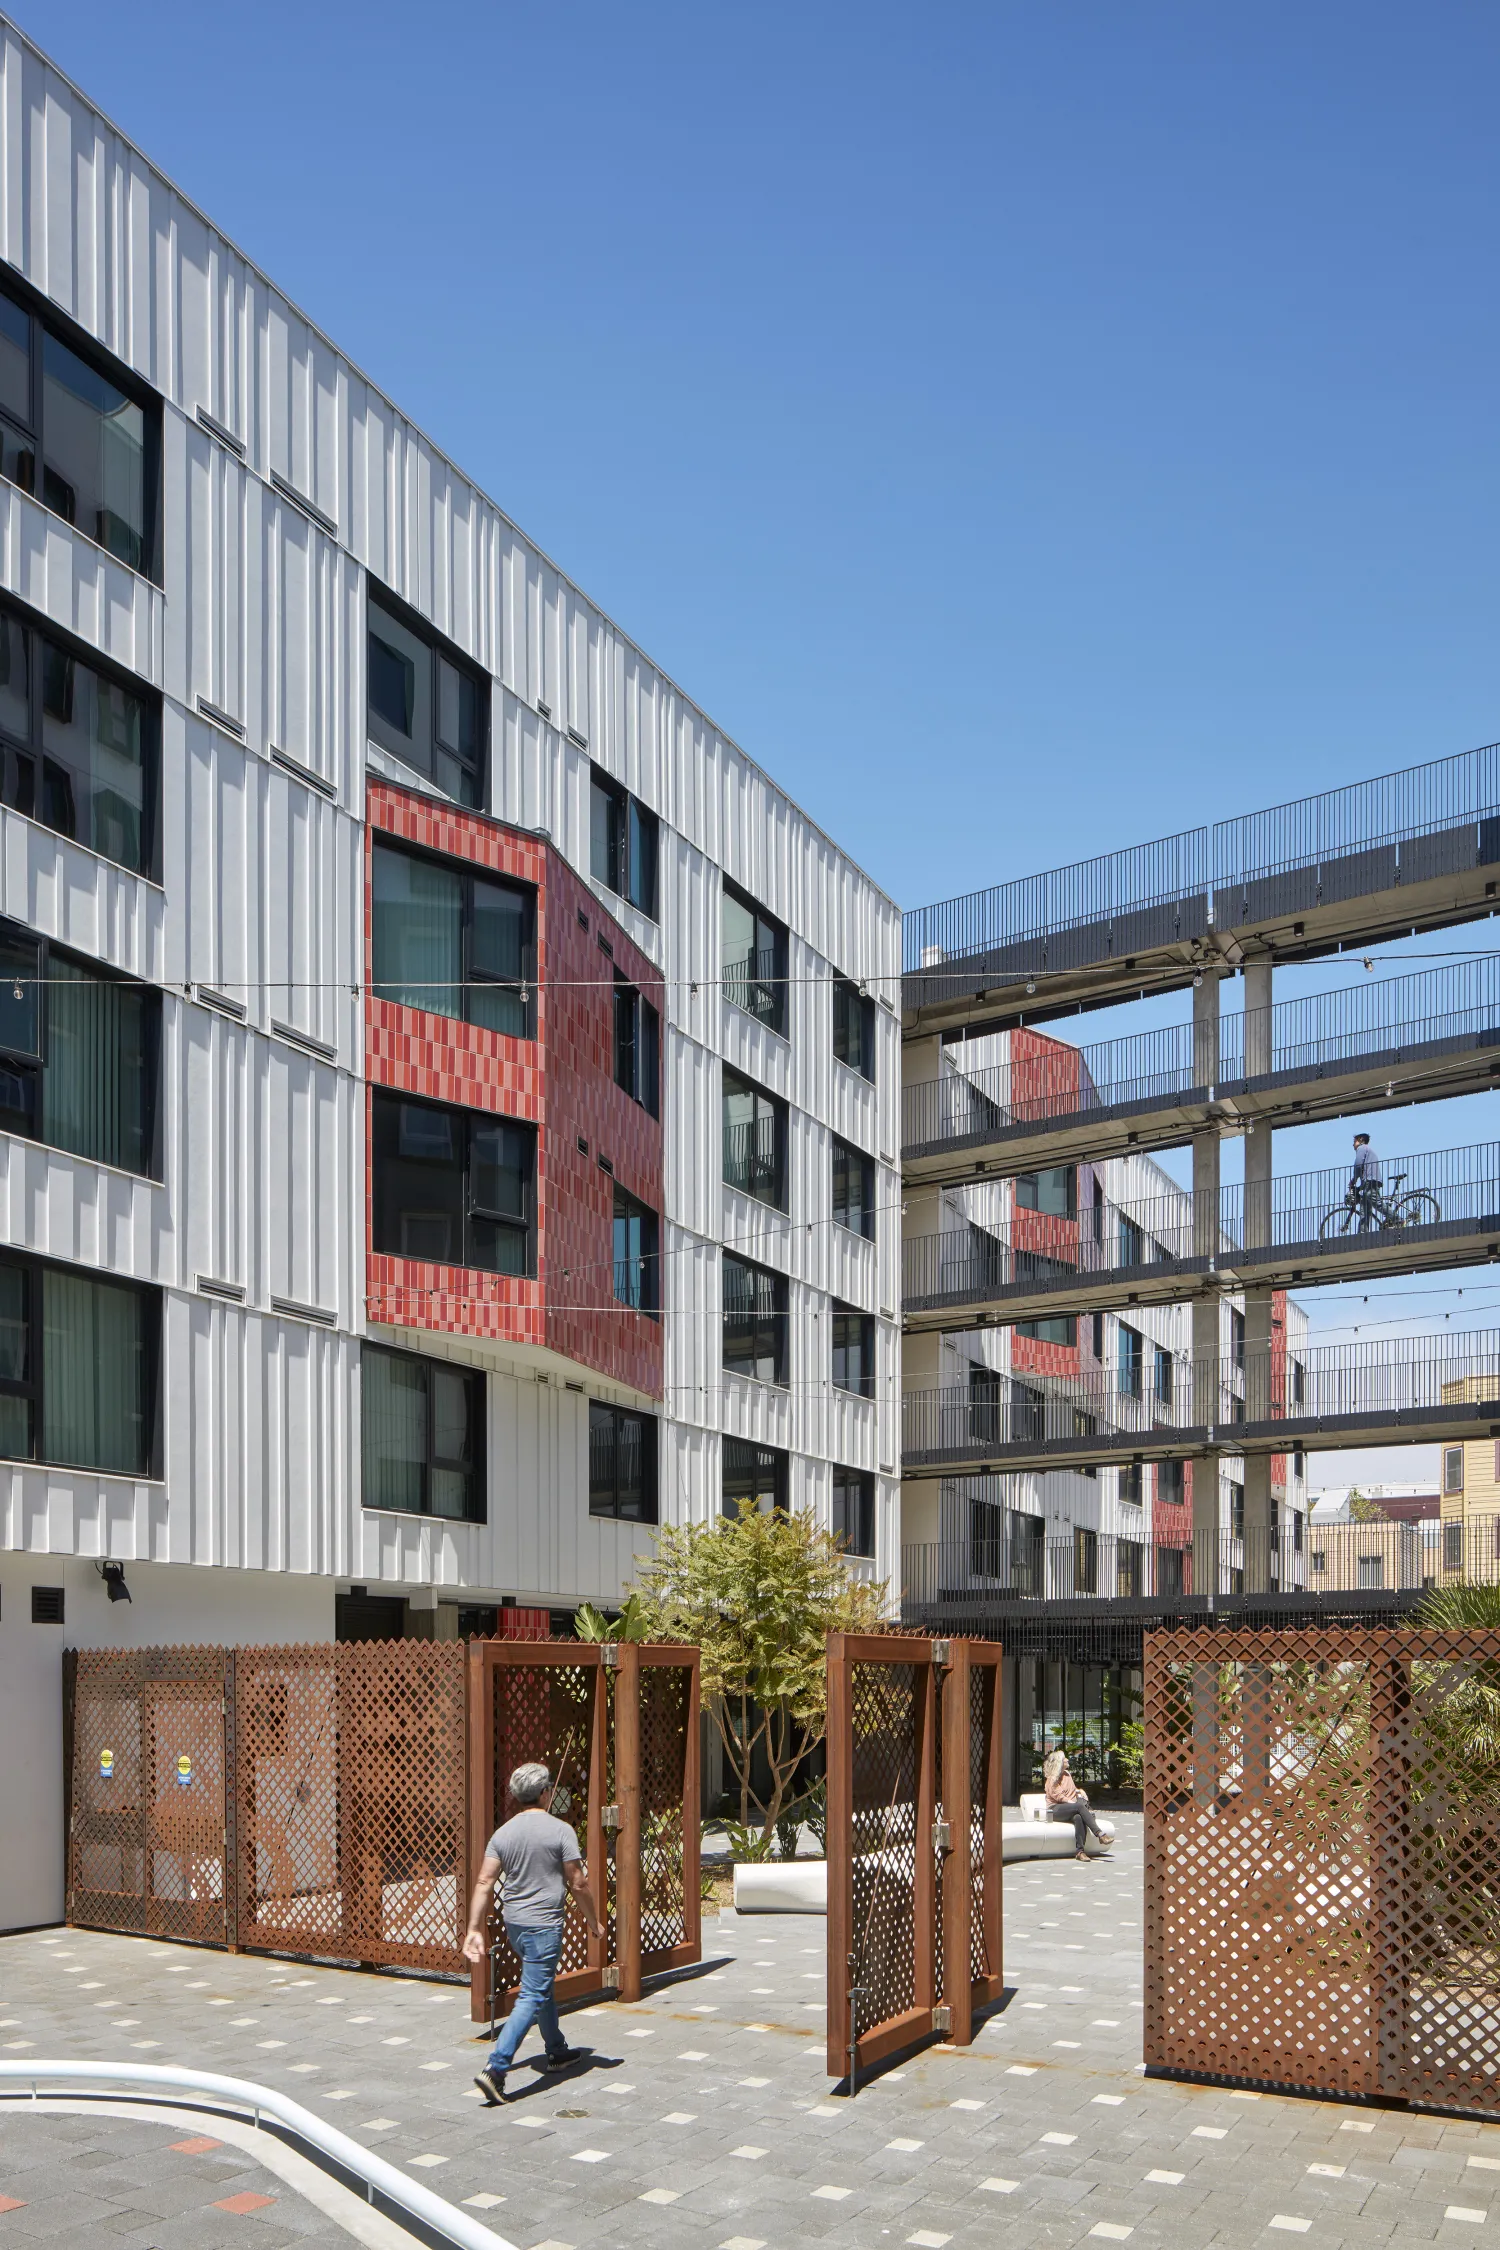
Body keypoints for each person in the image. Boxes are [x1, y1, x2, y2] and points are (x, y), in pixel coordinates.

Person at [464, 1761, 605, 2105]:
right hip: (544, 1926)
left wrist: (473, 1928)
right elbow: (578, 1882)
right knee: (532, 1994)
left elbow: (484, 1881)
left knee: (540, 1987)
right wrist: (594, 1921)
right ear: (546, 1793)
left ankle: (556, 2050)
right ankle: (495, 2069)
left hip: (516, 1925)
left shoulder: (502, 1834)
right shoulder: (561, 1830)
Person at [1043, 1748, 1108, 1860]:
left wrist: (1079, 1792)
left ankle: (1080, 1852)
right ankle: (1100, 1834)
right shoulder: (1051, 1779)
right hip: (1055, 1809)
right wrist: (1075, 1803)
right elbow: (1059, 1796)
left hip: (1071, 1808)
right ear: (1059, 1762)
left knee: (1078, 1817)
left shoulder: (1067, 1774)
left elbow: (1072, 1790)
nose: (1067, 1759)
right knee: (1079, 1807)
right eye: (1065, 1758)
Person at [1348, 1134, 1382, 1229]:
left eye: (1354, 1142)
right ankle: (1362, 1236)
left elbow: (1358, 1165)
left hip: (1370, 1180)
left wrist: (1353, 1181)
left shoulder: (1362, 1148)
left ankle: (1397, 1219)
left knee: (1377, 1203)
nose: (1353, 1145)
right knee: (1364, 1211)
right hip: (1370, 1181)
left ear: (1361, 1140)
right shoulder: (1368, 1150)